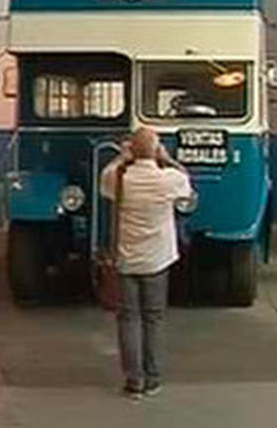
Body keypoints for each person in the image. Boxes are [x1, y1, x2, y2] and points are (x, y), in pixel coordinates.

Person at [99, 126, 192, 401]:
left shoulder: (119, 178)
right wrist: (167, 158)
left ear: (132, 150)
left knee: (128, 319)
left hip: (127, 259)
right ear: (156, 149)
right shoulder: (168, 179)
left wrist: (122, 158)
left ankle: (133, 381)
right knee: (154, 319)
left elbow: (105, 179)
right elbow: (186, 182)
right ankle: (153, 379)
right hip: (158, 259)